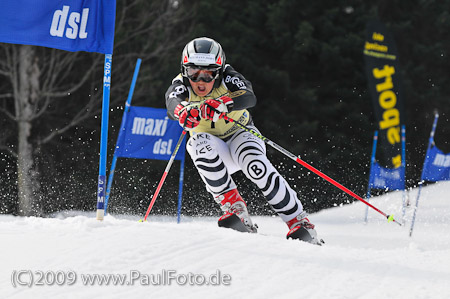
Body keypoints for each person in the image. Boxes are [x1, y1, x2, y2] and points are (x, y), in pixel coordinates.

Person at [165, 37, 322, 245]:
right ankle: (235, 210)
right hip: (214, 150)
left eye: (209, 73)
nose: (201, 81)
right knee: (196, 144)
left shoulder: (228, 76)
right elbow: (171, 99)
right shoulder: (181, 83)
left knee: (254, 164)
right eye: (194, 72)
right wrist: (181, 111)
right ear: (185, 71)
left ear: (219, 71)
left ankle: (299, 222)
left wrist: (224, 103)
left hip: (240, 134)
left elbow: (248, 95)